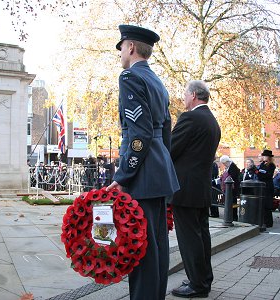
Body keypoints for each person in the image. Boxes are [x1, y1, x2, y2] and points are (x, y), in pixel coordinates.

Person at [106, 24, 180, 300]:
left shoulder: (129, 77)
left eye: (121, 47)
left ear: (131, 47)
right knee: (157, 246)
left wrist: (124, 174)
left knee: (140, 248)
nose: (120, 53)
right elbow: (165, 131)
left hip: (143, 174)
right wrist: (164, 164)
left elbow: (139, 133)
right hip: (158, 171)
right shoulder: (157, 82)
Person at [169, 80, 221, 298]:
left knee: (189, 239)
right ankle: (203, 280)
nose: (183, 98)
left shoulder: (190, 117)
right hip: (200, 189)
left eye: (184, 94)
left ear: (193, 95)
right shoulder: (211, 120)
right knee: (201, 237)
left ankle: (196, 285)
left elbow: (171, 149)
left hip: (186, 190)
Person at [257, 149, 276, 228]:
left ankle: (268, 222)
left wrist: (260, 173)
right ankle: (263, 220)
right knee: (263, 204)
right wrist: (259, 173)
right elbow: (260, 174)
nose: (263, 157)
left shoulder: (271, 165)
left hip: (268, 186)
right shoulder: (262, 164)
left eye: (265, 156)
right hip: (262, 186)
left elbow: (268, 176)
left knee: (267, 204)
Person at [219, 155, 241, 221]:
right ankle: (231, 215)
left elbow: (233, 177)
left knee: (232, 203)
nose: (224, 165)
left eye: (224, 163)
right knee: (230, 202)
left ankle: (234, 216)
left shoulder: (232, 167)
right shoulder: (230, 166)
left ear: (226, 162)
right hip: (230, 188)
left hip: (232, 188)